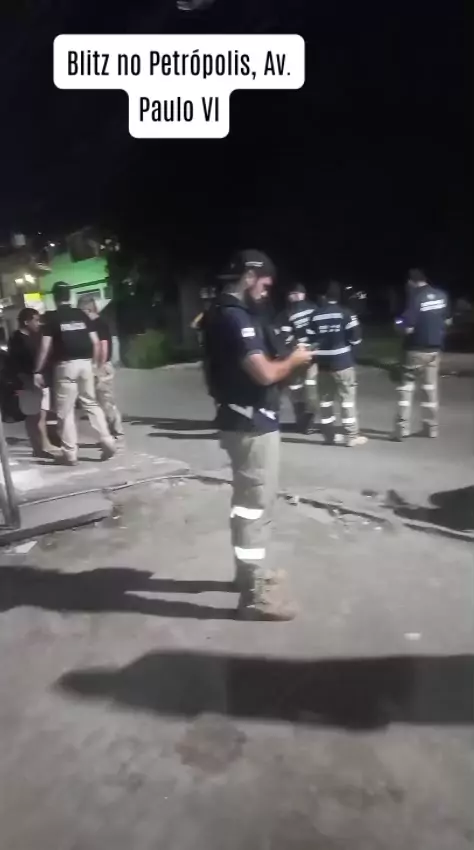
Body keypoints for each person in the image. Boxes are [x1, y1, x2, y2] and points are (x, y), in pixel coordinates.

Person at [202, 249, 313, 620]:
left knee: (247, 504)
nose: (268, 290)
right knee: (255, 508)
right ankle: (255, 596)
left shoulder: (224, 311)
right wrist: (295, 361)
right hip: (251, 424)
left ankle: (247, 576)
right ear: (249, 276)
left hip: (242, 420)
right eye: (265, 282)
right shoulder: (235, 317)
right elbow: (263, 373)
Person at [34, 282, 116, 466]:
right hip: (86, 364)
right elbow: (95, 342)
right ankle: (108, 441)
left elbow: (45, 347)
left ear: (55, 297)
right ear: (69, 296)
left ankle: (70, 453)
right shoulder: (81, 314)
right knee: (91, 403)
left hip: (65, 366)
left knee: (66, 410)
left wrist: (38, 369)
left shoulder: (53, 318)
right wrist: (95, 366)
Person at [394, 268, 450, 440]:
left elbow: (408, 328)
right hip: (434, 350)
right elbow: (448, 321)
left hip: (415, 350)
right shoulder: (441, 295)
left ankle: (402, 429)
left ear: (411, 282)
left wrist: (398, 323)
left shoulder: (415, 298)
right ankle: (431, 428)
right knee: (430, 389)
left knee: (406, 389)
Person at [310, 280, 367, 447]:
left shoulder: (315, 315)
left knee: (325, 401)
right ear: (339, 296)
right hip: (342, 363)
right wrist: (351, 353)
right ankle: (351, 436)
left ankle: (329, 436)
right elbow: (356, 338)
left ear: (324, 296)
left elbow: (310, 340)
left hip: (323, 364)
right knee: (347, 400)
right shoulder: (346, 313)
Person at [6, 308, 59, 457]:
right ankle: (41, 447)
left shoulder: (35, 336)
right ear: (26, 321)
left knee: (40, 415)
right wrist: (21, 383)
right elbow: (16, 364)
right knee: (34, 416)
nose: (38, 323)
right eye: (35, 320)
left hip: (39, 380)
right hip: (27, 381)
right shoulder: (17, 339)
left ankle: (41, 446)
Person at [77, 295, 124, 440]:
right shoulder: (95, 323)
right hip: (97, 365)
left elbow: (103, 346)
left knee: (106, 400)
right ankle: (109, 432)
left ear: (87, 309)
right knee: (100, 401)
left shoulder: (98, 324)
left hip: (101, 366)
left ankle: (116, 431)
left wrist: (99, 367)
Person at [280, 283, 318, 433]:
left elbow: (285, 335)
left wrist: (297, 346)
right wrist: (312, 348)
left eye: (291, 294)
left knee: (296, 389)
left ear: (296, 294)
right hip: (313, 356)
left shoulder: (288, 312)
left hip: (296, 356)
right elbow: (319, 332)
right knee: (311, 387)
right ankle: (308, 421)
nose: (289, 297)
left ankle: (301, 421)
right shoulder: (314, 308)